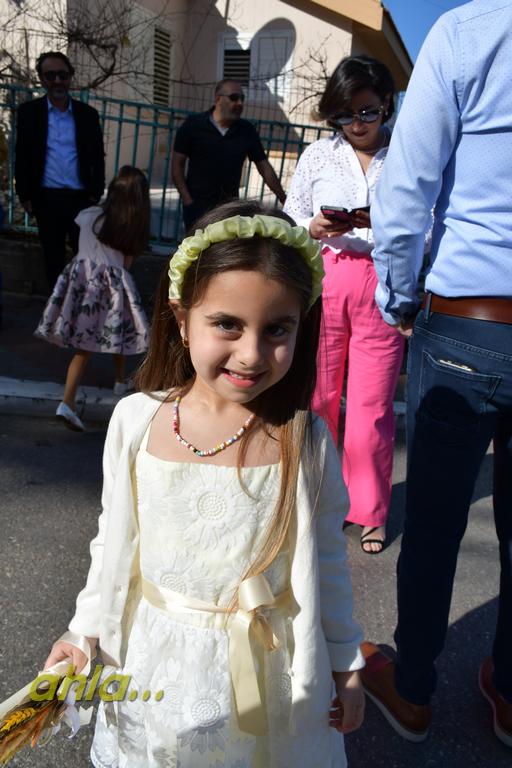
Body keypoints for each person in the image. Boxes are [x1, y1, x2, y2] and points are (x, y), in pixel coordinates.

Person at [43, 199, 365, 767]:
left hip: (267, 667)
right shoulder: (137, 421)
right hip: (152, 661)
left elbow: (327, 565)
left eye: (277, 329)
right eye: (227, 324)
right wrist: (81, 634)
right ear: (181, 317)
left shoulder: (304, 439)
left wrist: (346, 663)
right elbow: (113, 542)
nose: (251, 353)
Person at [360, 0, 512, 748]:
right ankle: (510, 691)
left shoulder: (469, 32)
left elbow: (406, 189)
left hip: (469, 320)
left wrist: (398, 296)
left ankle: (413, 687)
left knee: (434, 523)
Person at [284, 56, 404, 554]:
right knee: (318, 398)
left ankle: (370, 509)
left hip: (384, 281)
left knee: (372, 407)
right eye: (344, 115)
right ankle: (315, 500)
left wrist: (386, 227)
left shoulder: (408, 154)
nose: (356, 124)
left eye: (367, 112)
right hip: (326, 278)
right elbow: (291, 218)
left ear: (387, 105)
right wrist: (313, 227)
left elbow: (429, 224)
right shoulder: (317, 156)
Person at [35, 166, 150, 432]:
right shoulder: (131, 227)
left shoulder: (88, 215)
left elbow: (81, 244)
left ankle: (117, 382)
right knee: (106, 338)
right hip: (112, 289)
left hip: (81, 282)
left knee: (98, 340)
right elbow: (125, 265)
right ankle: (68, 402)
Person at [14, 51, 105, 291]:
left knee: (86, 257)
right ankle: (57, 309)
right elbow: (22, 156)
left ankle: (83, 307)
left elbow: (98, 156)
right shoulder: (29, 113)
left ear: (70, 77)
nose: (57, 81)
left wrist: (95, 193)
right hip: (47, 198)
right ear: (41, 79)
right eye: (50, 75)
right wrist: (25, 195)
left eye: (62, 75)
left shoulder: (87, 115)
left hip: (81, 199)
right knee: (52, 259)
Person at [171, 79, 286, 231]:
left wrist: (284, 198)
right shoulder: (194, 125)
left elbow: (264, 167)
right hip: (198, 207)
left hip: (229, 209)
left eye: (242, 99)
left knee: (226, 247)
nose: (240, 103)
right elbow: (177, 165)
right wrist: (187, 200)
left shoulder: (246, 131)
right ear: (218, 99)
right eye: (234, 98)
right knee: (196, 245)